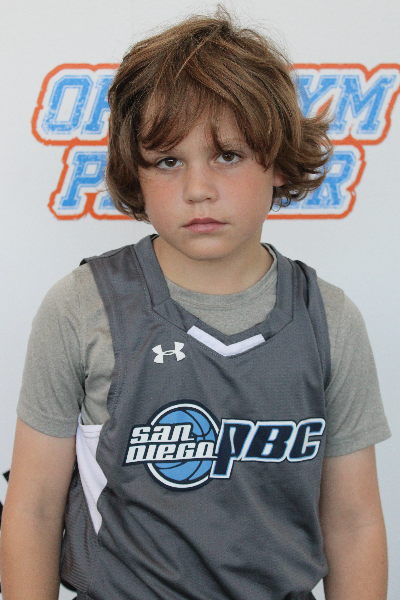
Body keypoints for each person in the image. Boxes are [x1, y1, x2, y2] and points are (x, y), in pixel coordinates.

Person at [1, 9, 390, 600]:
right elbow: (32, 508)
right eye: (168, 161)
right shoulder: (81, 307)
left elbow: (354, 524)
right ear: (135, 172)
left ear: (277, 160)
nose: (198, 189)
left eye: (227, 155)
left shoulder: (328, 320)